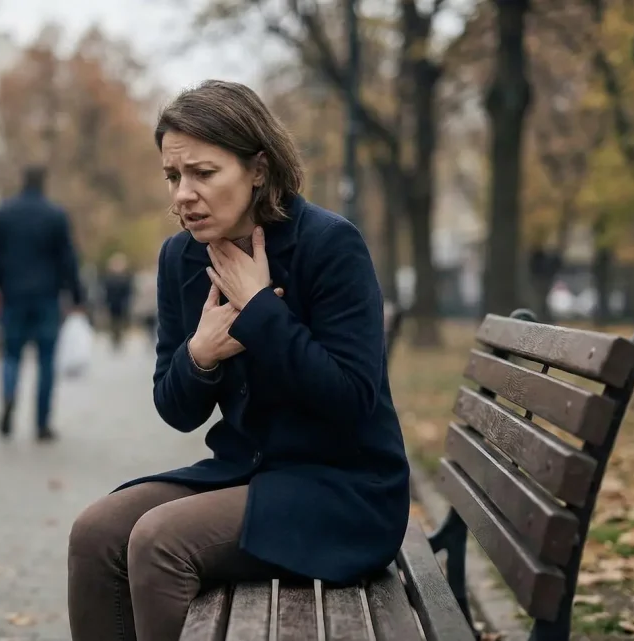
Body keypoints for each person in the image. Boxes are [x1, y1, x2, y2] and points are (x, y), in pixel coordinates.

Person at [66, 80, 410, 641]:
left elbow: (351, 399)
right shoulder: (181, 258)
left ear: (258, 169)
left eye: (203, 173)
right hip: (245, 474)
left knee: (159, 541)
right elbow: (176, 410)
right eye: (173, 176)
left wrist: (258, 310)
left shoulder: (329, 245)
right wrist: (199, 355)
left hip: (345, 491)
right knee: (95, 532)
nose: (183, 194)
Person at [0, 165, 85, 442]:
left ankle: (8, 397)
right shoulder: (55, 215)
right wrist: (76, 294)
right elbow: (68, 258)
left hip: (13, 295)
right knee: (46, 360)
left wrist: (2, 280)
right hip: (46, 296)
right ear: (43, 184)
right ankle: (42, 423)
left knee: (11, 354)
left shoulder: (4, 213)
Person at [101, 252, 135, 351]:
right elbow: (106, 292)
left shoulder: (126, 278)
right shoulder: (109, 278)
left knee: (121, 322)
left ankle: (119, 338)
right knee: (113, 322)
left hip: (122, 304)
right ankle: (115, 338)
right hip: (112, 304)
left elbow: (129, 291)